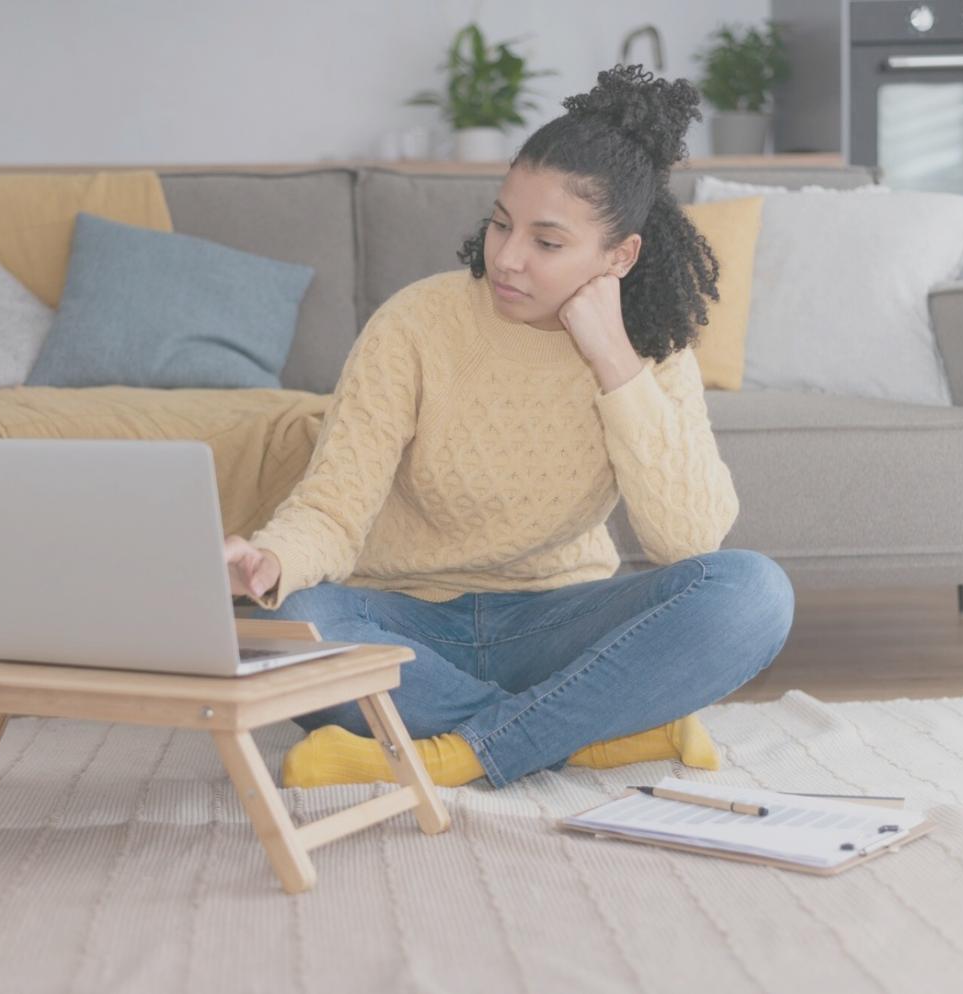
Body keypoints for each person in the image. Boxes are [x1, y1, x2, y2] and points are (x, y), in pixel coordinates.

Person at [224, 64, 795, 790]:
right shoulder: (416, 323)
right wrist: (271, 560)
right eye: (501, 224)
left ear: (619, 256)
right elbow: (333, 509)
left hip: (554, 627)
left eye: (547, 243)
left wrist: (614, 361)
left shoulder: (653, 350)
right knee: (295, 623)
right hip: (406, 622)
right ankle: (579, 733)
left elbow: (687, 542)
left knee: (755, 593)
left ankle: (453, 753)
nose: (507, 258)